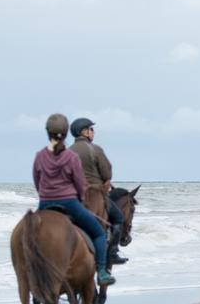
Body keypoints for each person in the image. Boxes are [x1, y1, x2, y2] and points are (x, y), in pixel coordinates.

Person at [32, 113, 115, 286]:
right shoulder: (70, 157)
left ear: (48, 132)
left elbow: (37, 181)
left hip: (45, 204)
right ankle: (101, 272)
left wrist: (45, 196)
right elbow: (79, 184)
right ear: (64, 132)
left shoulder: (40, 155)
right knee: (99, 233)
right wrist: (79, 199)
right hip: (69, 203)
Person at [69, 117, 128, 265]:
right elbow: (107, 173)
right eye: (91, 129)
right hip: (94, 195)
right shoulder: (95, 149)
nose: (93, 132)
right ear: (84, 132)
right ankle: (112, 253)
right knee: (118, 218)